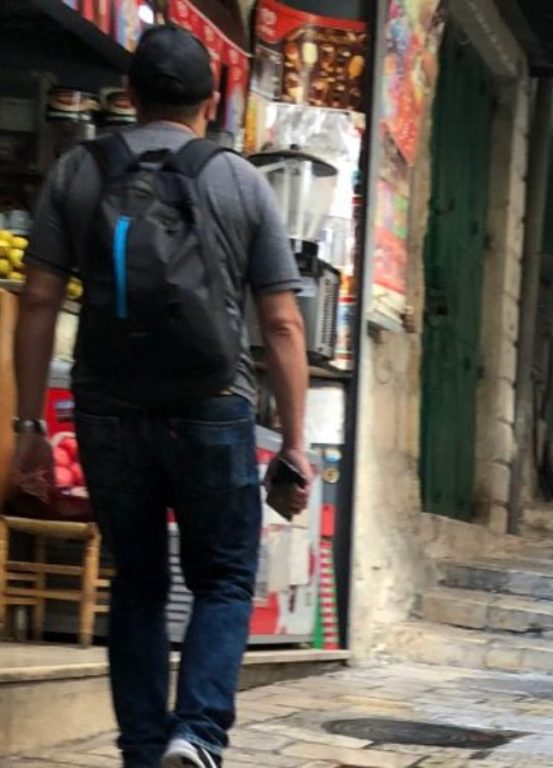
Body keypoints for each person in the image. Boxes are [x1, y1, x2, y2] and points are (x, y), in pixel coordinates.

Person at [12, 26, 312, 768]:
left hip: (108, 408)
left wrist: (26, 425)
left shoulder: (78, 172)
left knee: (139, 581)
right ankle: (199, 735)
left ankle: (145, 750)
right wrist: (297, 445)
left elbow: (39, 301)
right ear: (210, 103)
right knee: (224, 577)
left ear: (130, 96)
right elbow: (280, 321)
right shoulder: (240, 182)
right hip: (212, 403)